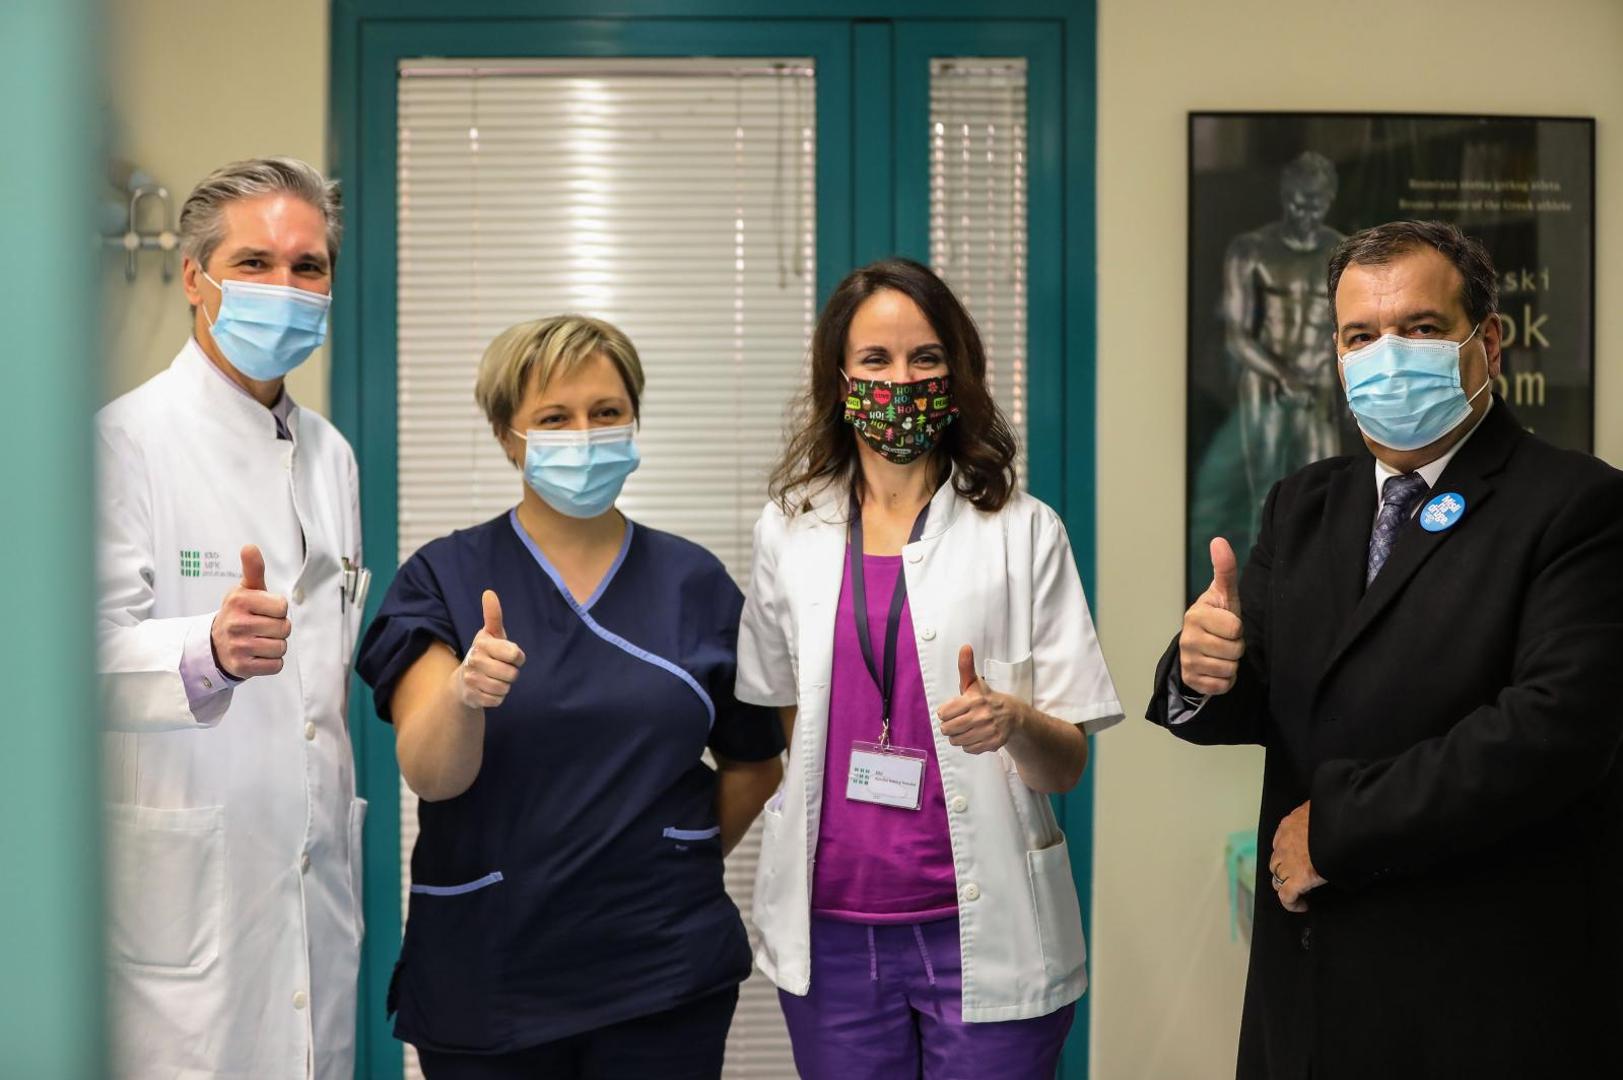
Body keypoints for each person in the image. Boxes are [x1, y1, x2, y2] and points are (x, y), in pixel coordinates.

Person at [1149, 220, 1623, 1078]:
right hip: (1308, 993)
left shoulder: (1575, 505)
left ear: (1488, 344)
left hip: (1476, 992)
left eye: (1420, 327)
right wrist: (1199, 671)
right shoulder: (1303, 504)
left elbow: (1555, 732)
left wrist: (1338, 828)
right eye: (1359, 336)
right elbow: (1260, 694)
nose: (1386, 357)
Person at [356, 315, 783, 1079]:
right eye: (554, 418)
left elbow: (755, 763)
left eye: (605, 412)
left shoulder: (693, 583)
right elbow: (430, 774)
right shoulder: (443, 578)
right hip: (490, 976)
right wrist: (463, 696)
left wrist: (668, 862)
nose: (584, 436)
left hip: (661, 974)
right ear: (507, 435)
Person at [737, 258, 1123, 1078]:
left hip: (985, 926)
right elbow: (786, 711)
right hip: (831, 932)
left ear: (957, 371)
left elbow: (1065, 767)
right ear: (840, 377)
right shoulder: (787, 529)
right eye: (875, 360)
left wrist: (1014, 722)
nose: (901, 381)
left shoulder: (1022, 531)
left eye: (925, 358)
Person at [96, 158, 366, 1079]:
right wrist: (205, 651)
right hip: (182, 905)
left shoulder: (332, 455)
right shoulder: (123, 440)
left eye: (307, 266)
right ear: (193, 278)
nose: (284, 287)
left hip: (310, 887)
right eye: (254, 263)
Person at [1222, 151, 1346, 542]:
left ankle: (1319, 575)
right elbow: (1236, 335)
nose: (1305, 215)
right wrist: (1283, 374)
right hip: (1266, 382)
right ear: (1283, 195)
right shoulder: (1251, 250)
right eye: (1297, 203)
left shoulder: (1343, 252)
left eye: (1315, 206)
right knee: (1267, 496)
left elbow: (1354, 330)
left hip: (1319, 383)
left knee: (1327, 495)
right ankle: (1263, 577)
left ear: (1330, 200)